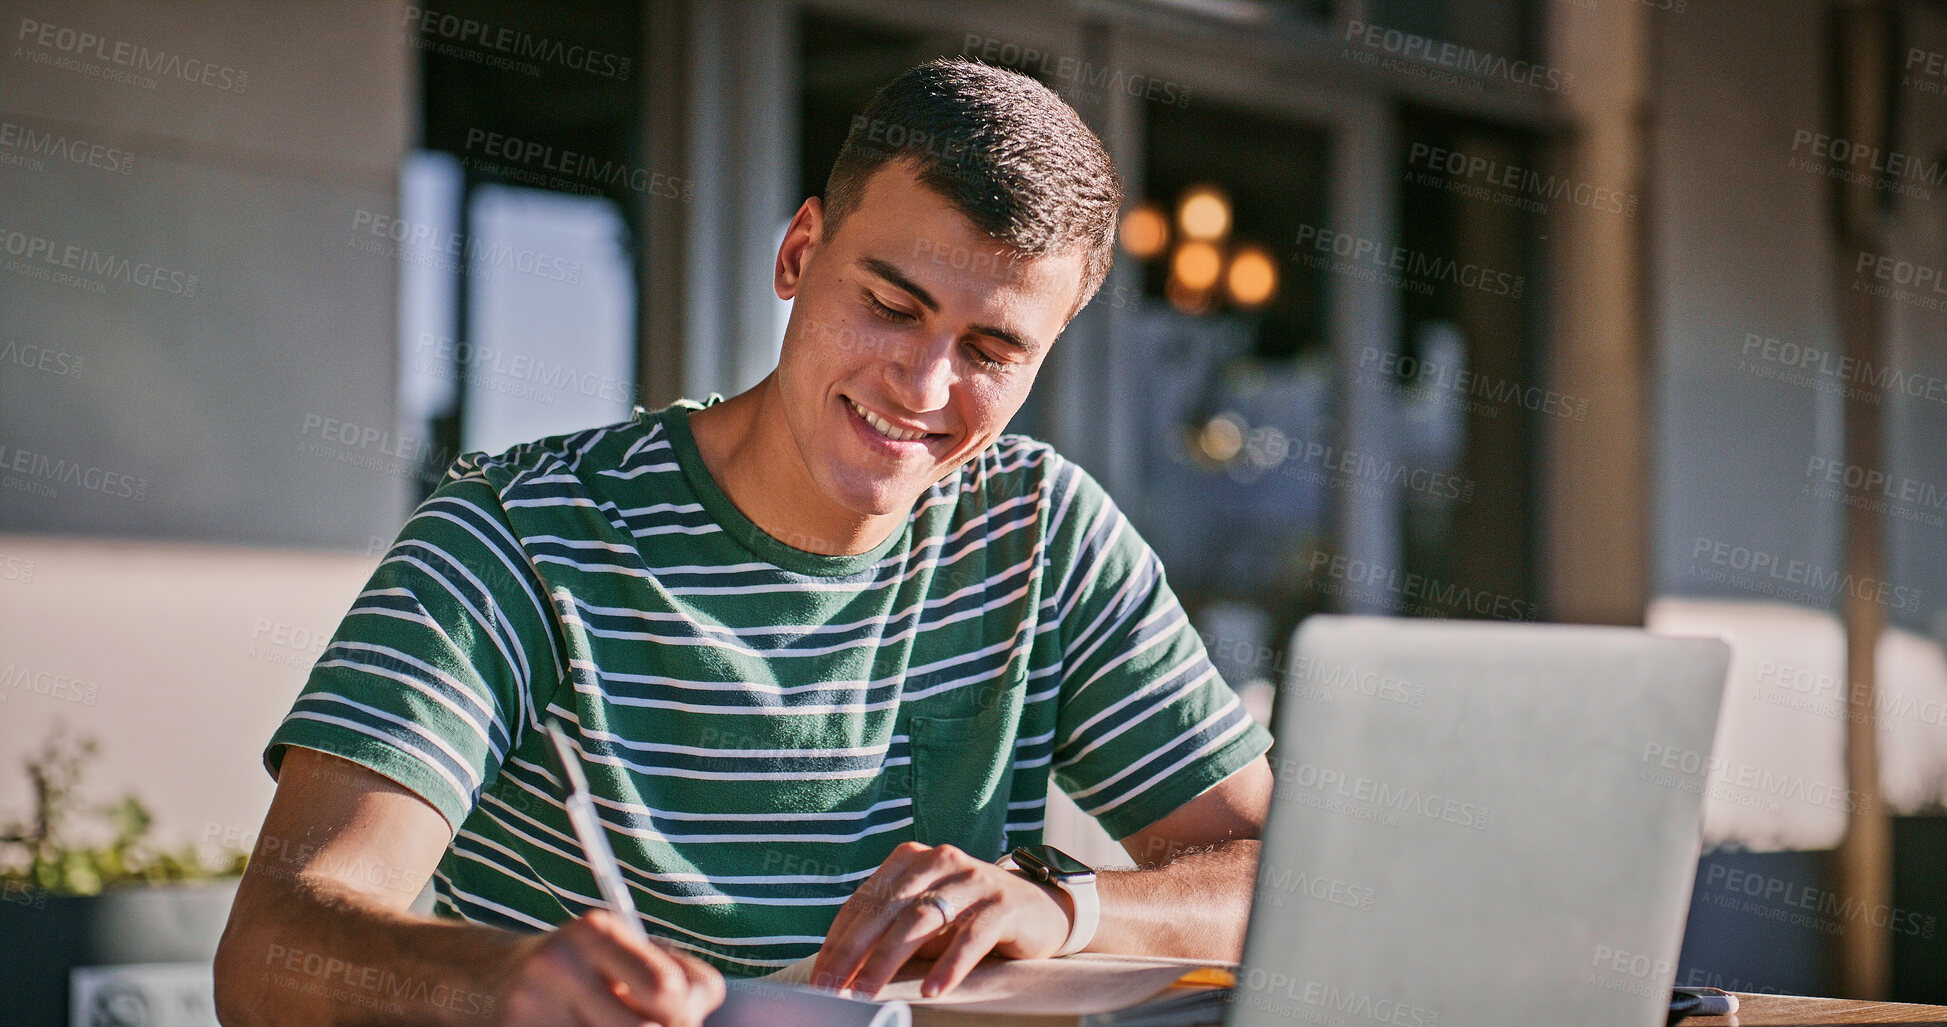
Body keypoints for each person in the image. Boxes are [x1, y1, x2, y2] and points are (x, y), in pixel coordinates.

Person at [214, 57, 1273, 1027]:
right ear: (799, 252)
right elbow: (272, 946)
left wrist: (1064, 908)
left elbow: (1275, 873)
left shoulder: (1044, 532)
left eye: (991, 348)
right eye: (891, 305)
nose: (924, 385)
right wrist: (497, 981)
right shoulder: (519, 535)